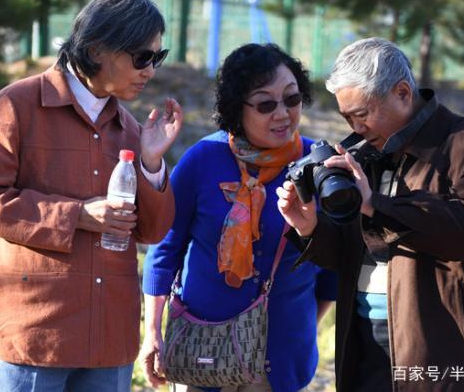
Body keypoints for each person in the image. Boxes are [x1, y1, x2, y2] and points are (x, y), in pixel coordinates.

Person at [0, 0, 182, 391]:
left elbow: (153, 231)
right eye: (142, 57)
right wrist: (76, 215)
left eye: (157, 58)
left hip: (107, 343)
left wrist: (150, 163)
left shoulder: (130, 128)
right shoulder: (17, 106)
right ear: (96, 50)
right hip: (32, 337)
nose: (150, 70)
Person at [276, 37, 464, 391]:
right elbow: (350, 252)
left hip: (446, 350)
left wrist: (375, 204)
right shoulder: (362, 152)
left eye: (362, 114)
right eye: (347, 117)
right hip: (364, 341)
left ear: (403, 93)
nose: (355, 128)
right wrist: (310, 228)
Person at [140, 43, 337, 392]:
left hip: (280, 357)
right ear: (237, 109)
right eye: (265, 104)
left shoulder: (318, 164)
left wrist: (297, 324)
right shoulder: (204, 158)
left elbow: (333, 267)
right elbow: (165, 249)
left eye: (292, 99)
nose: (282, 114)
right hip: (201, 348)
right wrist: (152, 330)